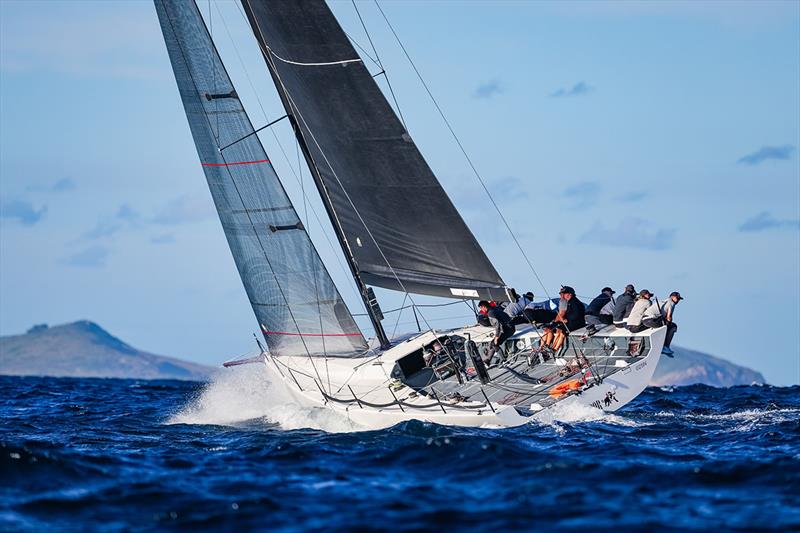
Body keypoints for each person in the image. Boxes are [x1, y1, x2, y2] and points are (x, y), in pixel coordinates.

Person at [478, 300, 515, 365]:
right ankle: (488, 360)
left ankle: (504, 361)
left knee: (495, 343)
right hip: (509, 327)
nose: (481, 310)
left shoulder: (490, 313)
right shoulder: (494, 309)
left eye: (481, 308)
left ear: (484, 307)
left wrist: (496, 337)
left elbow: (497, 325)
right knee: (493, 343)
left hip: (508, 329)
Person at [549, 286, 586, 352]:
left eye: (564, 294)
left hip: (577, 323)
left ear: (570, 294)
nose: (563, 295)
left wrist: (567, 319)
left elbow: (576, 315)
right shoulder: (569, 302)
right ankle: (553, 346)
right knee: (558, 329)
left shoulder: (575, 303)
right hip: (571, 322)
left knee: (562, 331)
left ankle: (555, 349)